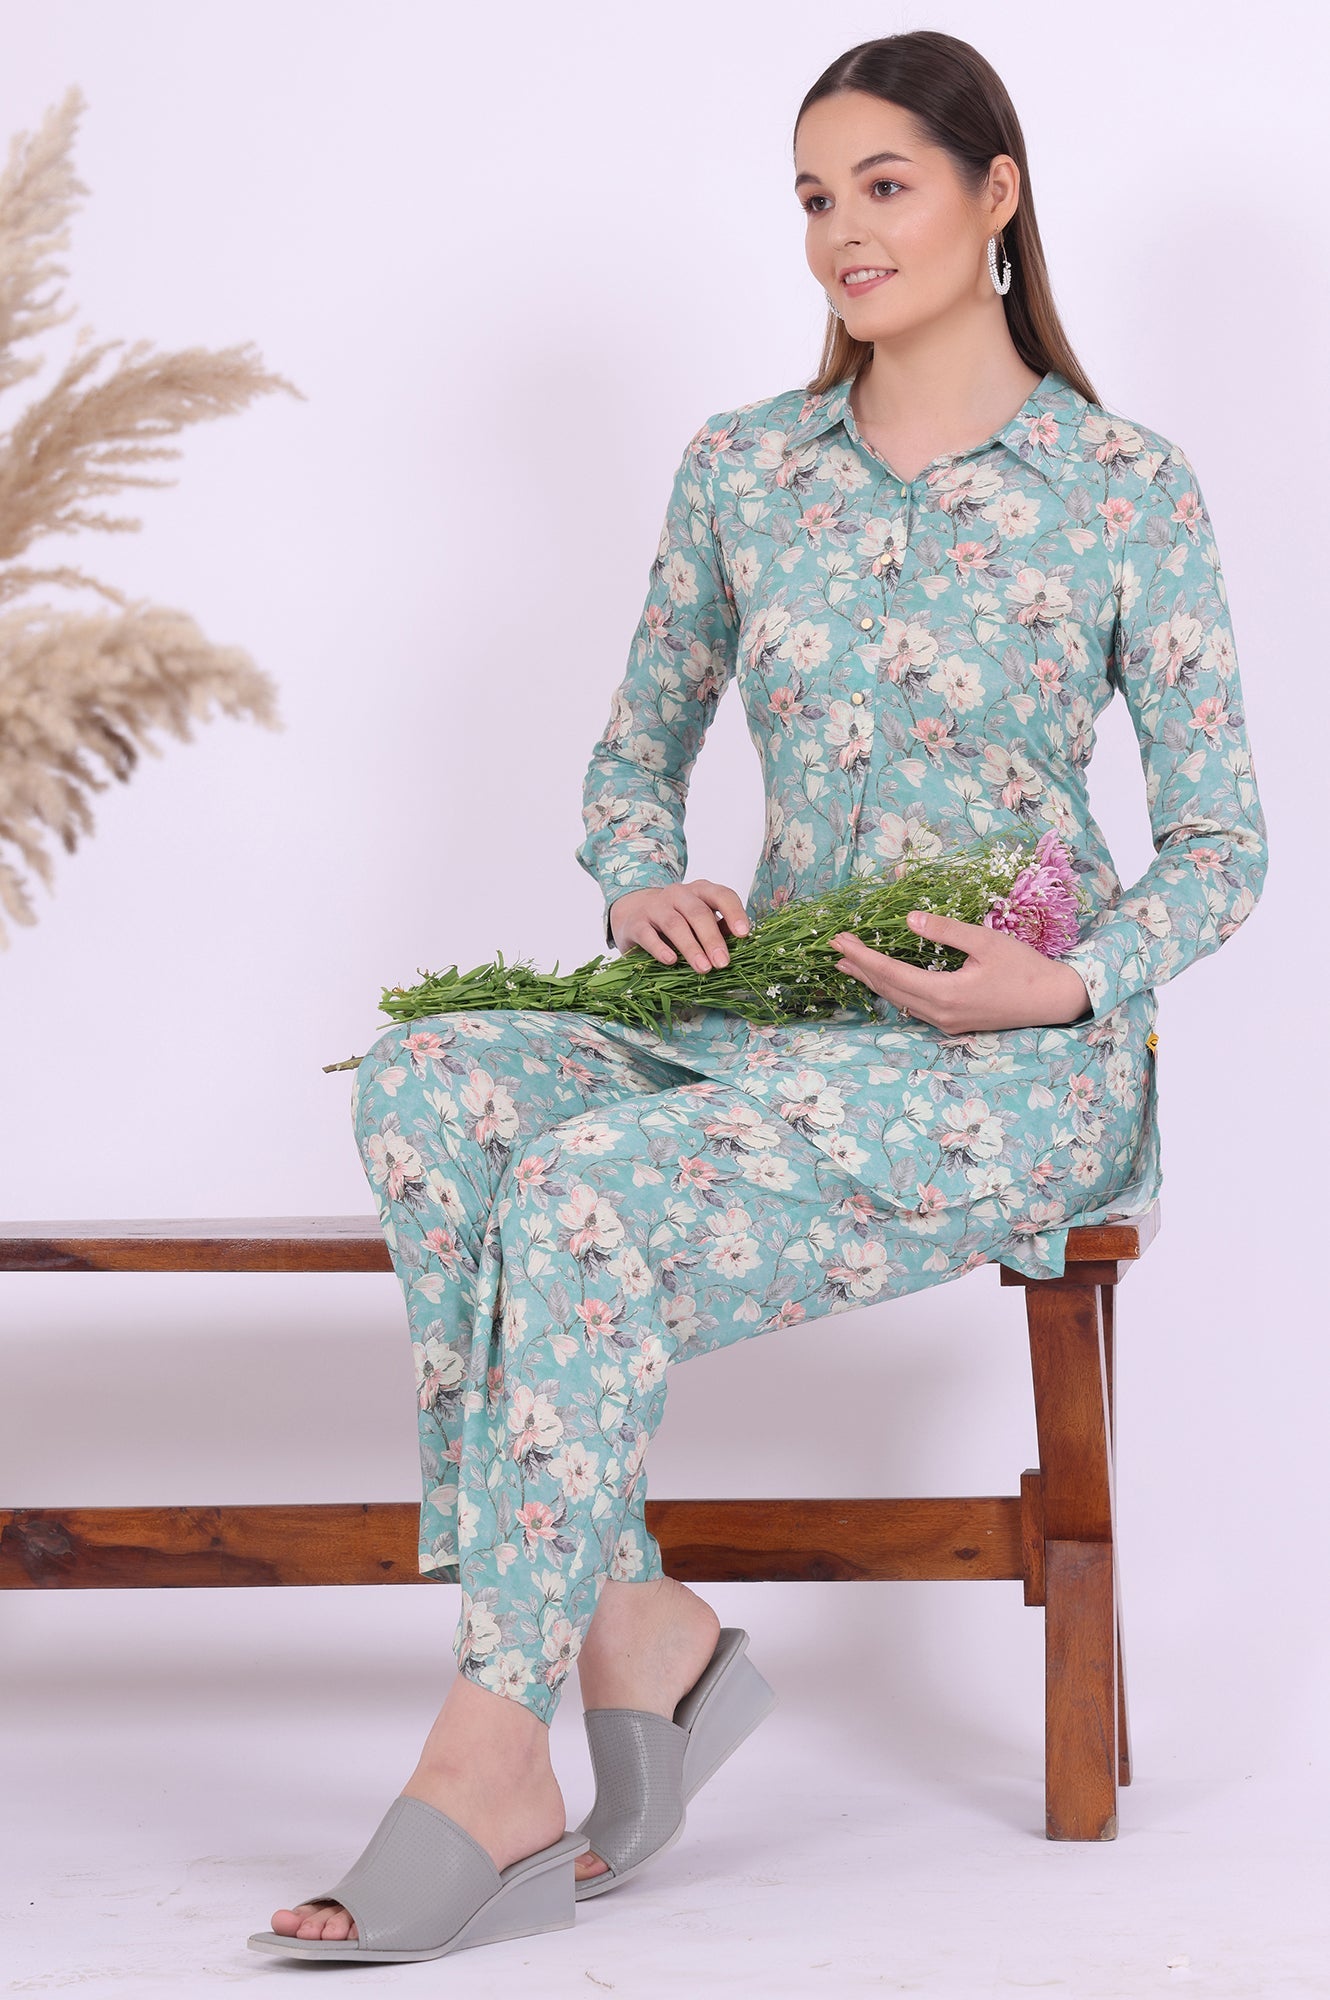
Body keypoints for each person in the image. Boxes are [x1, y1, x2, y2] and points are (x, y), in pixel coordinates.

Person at [250, 26, 1268, 1964]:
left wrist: (1066, 979)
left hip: (1001, 1072)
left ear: (994, 193)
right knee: (432, 1084)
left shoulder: (1123, 485)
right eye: (812, 196)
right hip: (768, 1025)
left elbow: (1222, 844)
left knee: (582, 1196)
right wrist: (642, 870)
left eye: (884, 184)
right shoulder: (744, 470)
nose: (840, 232)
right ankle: (637, 1623)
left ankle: (488, 1752)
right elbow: (631, 750)